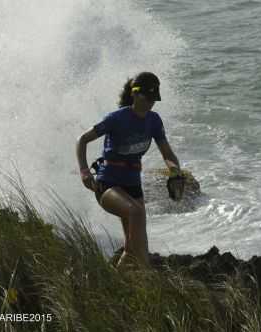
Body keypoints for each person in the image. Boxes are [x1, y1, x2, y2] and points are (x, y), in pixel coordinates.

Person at [76, 72, 184, 268]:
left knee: (140, 252)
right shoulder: (116, 119)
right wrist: (84, 171)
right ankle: (125, 267)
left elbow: (167, 153)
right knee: (136, 213)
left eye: (153, 99)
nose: (150, 103)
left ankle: (128, 284)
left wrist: (176, 172)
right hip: (108, 185)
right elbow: (82, 140)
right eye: (146, 98)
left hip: (133, 187)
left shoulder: (154, 121)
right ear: (134, 94)